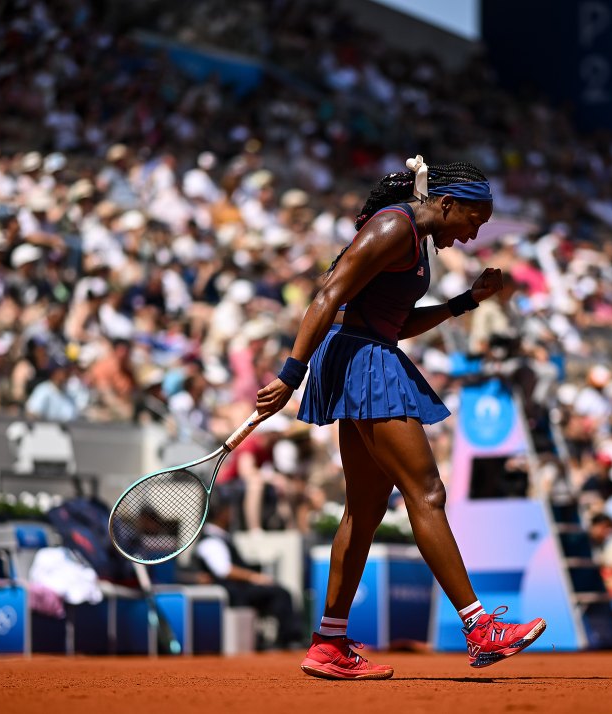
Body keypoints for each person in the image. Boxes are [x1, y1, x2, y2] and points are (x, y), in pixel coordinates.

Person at [256, 157, 545, 680]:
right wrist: (290, 373)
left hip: (369, 352)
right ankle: (480, 628)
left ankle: (328, 642)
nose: (476, 232)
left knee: (364, 511)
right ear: (447, 203)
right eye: (474, 219)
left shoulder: (414, 240)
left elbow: (397, 321)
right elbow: (328, 295)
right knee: (427, 492)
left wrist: (465, 302)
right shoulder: (395, 226)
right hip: (363, 361)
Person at [193, 492, 303, 649]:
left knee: (279, 592)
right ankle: (289, 639)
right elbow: (224, 570)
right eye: (229, 510)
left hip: (237, 588)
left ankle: (280, 638)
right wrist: (254, 577)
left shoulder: (221, 537)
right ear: (221, 513)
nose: (232, 514)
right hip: (232, 590)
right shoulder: (210, 540)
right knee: (281, 593)